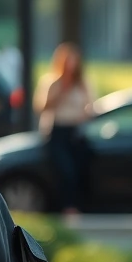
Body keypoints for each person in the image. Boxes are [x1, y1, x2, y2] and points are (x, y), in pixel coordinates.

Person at [34, 42, 92, 215]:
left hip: (76, 131)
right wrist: (61, 92)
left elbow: (89, 106)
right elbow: (41, 107)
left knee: (79, 168)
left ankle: (78, 204)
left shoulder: (82, 83)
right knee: (65, 169)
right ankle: (67, 208)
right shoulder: (52, 82)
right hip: (57, 130)